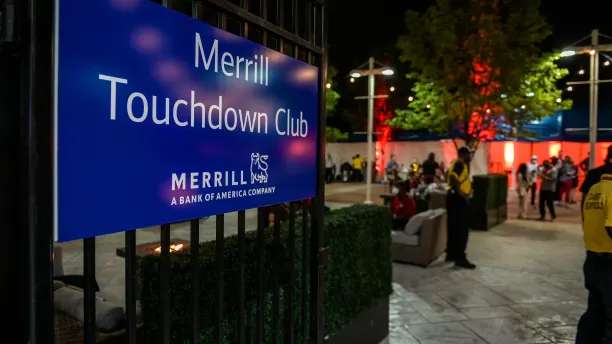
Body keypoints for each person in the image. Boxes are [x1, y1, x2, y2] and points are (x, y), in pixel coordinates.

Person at [575, 146, 612, 344]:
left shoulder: (595, 184)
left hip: (593, 256)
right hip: (608, 257)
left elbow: (585, 209)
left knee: (595, 313)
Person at [446, 147, 476, 269]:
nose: (471, 156)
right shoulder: (459, 163)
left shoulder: (455, 163)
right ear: (464, 154)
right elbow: (453, 177)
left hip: (453, 198)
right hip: (458, 200)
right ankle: (460, 258)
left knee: (453, 228)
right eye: (469, 154)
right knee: (462, 230)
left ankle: (451, 254)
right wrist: (461, 193)